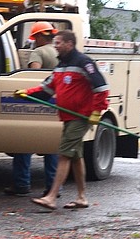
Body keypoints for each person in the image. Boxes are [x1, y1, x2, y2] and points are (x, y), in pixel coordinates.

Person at [18, 30, 109, 211]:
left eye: (58, 43)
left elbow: (101, 86)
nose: (55, 46)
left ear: (69, 44)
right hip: (68, 117)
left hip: (80, 117)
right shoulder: (61, 66)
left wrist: (97, 111)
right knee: (76, 157)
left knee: (64, 154)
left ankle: (51, 197)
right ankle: (82, 197)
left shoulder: (84, 63)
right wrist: (26, 94)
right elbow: (47, 89)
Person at [6, 21, 59, 196]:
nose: (34, 41)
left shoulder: (38, 52)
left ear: (40, 36)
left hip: (38, 100)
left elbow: (34, 76)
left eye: (35, 37)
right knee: (52, 146)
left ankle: (21, 184)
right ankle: (53, 187)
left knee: (25, 141)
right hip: (56, 101)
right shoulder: (59, 52)